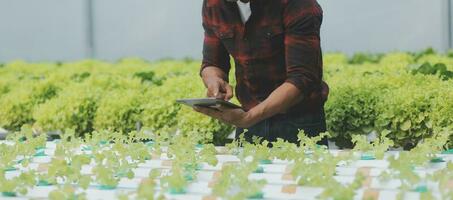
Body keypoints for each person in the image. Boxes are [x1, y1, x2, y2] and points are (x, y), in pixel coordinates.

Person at [194, 0, 329, 146]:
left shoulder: (298, 4)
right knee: (244, 169)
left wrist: (250, 117)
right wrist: (214, 80)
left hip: (299, 121)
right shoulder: (214, 4)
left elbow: (302, 78)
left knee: (306, 169)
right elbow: (212, 63)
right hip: (248, 121)